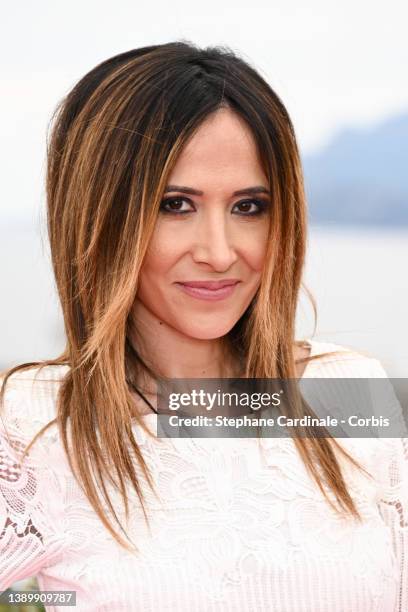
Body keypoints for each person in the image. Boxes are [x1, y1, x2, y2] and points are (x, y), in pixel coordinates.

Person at [0, 42, 406, 611]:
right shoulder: (36, 423)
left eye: (248, 207)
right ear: (99, 213)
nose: (219, 253)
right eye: (175, 204)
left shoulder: (351, 391)